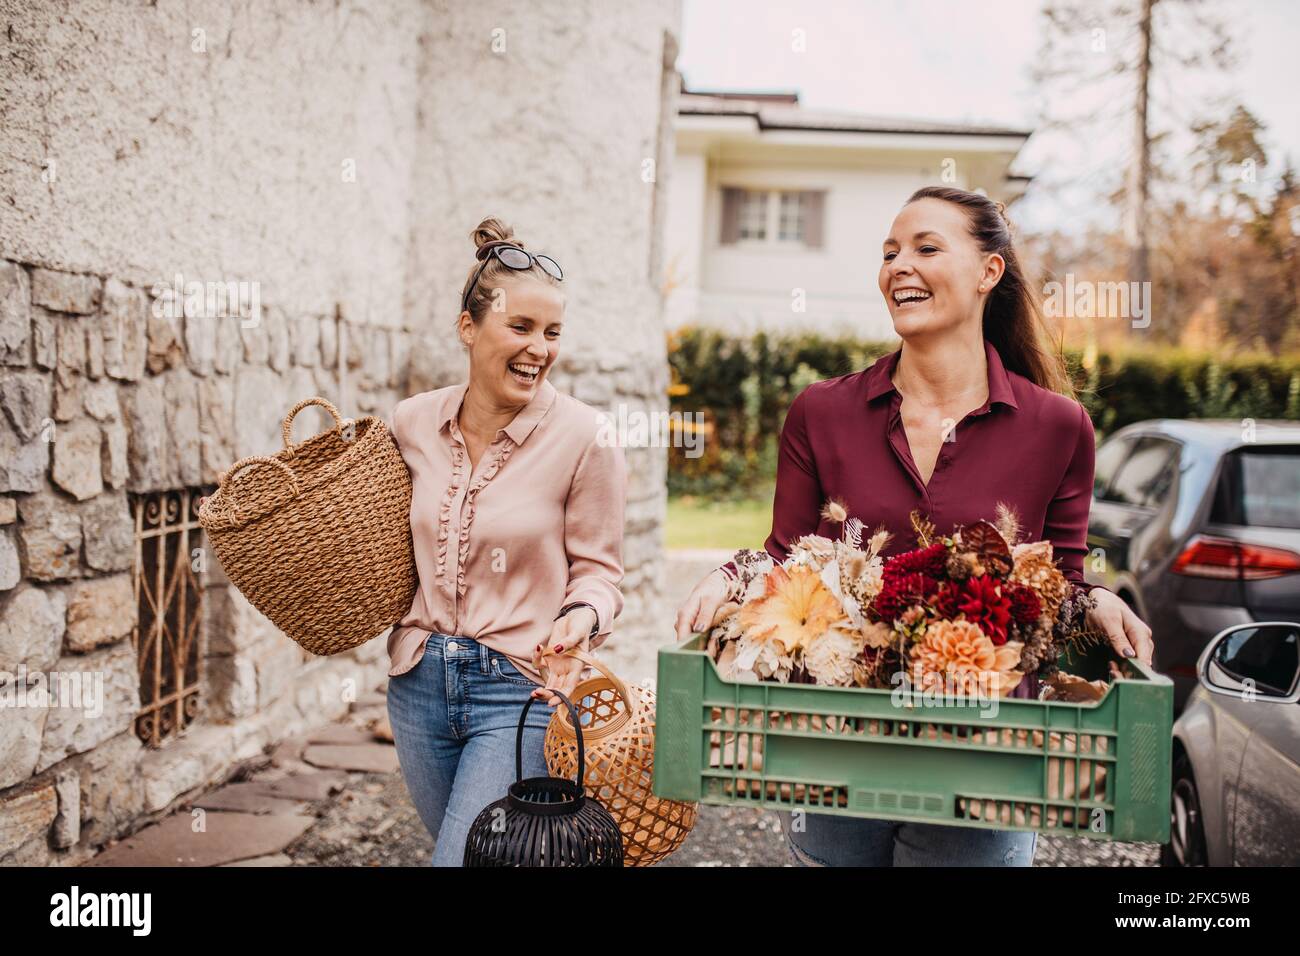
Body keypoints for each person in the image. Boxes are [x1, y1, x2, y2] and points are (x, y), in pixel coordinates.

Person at [673, 185, 1154, 867]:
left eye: (927, 248)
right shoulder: (822, 411)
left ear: (990, 271)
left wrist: (1097, 598)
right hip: (836, 745)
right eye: (889, 252)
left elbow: (1058, 582)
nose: (899, 265)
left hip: (986, 761)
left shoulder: (1058, 428)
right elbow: (788, 556)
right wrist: (733, 576)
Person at [385, 217, 626, 866]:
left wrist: (582, 616)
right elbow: (373, 537)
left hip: (516, 688)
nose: (539, 349)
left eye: (552, 333)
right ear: (469, 328)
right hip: (416, 683)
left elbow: (600, 571)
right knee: (468, 854)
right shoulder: (412, 423)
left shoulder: (585, 436)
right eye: (520, 327)